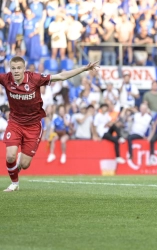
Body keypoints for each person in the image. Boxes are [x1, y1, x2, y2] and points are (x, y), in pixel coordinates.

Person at [0, 56, 99, 192]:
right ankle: (14, 183)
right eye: (13, 68)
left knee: (24, 164)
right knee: (10, 155)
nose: (16, 71)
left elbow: (61, 76)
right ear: (10, 69)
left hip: (33, 126)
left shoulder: (35, 78)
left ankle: (19, 163)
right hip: (15, 123)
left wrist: (84, 68)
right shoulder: (6, 79)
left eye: (19, 68)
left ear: (24, 68)